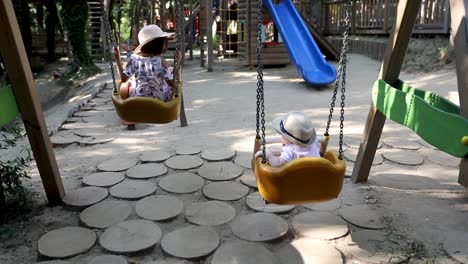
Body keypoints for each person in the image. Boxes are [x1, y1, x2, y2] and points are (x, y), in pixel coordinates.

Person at [113, 24, 175, 101]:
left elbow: (123, 78)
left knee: (126, 83)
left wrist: (117, 59)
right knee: (169, 86)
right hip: (159, 101)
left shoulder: (133, 59)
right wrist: (176, 68)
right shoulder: (161, 61)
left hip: (137, 99)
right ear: (158, 44)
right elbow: (172, 84)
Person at [254, 111, 322, 167]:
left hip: (297, 177)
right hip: (315, 173)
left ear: (291, 141)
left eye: (282, 134)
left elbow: (277, 164)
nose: (281, 136)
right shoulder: (314, 142)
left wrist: (268, 154)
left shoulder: (290, 150)